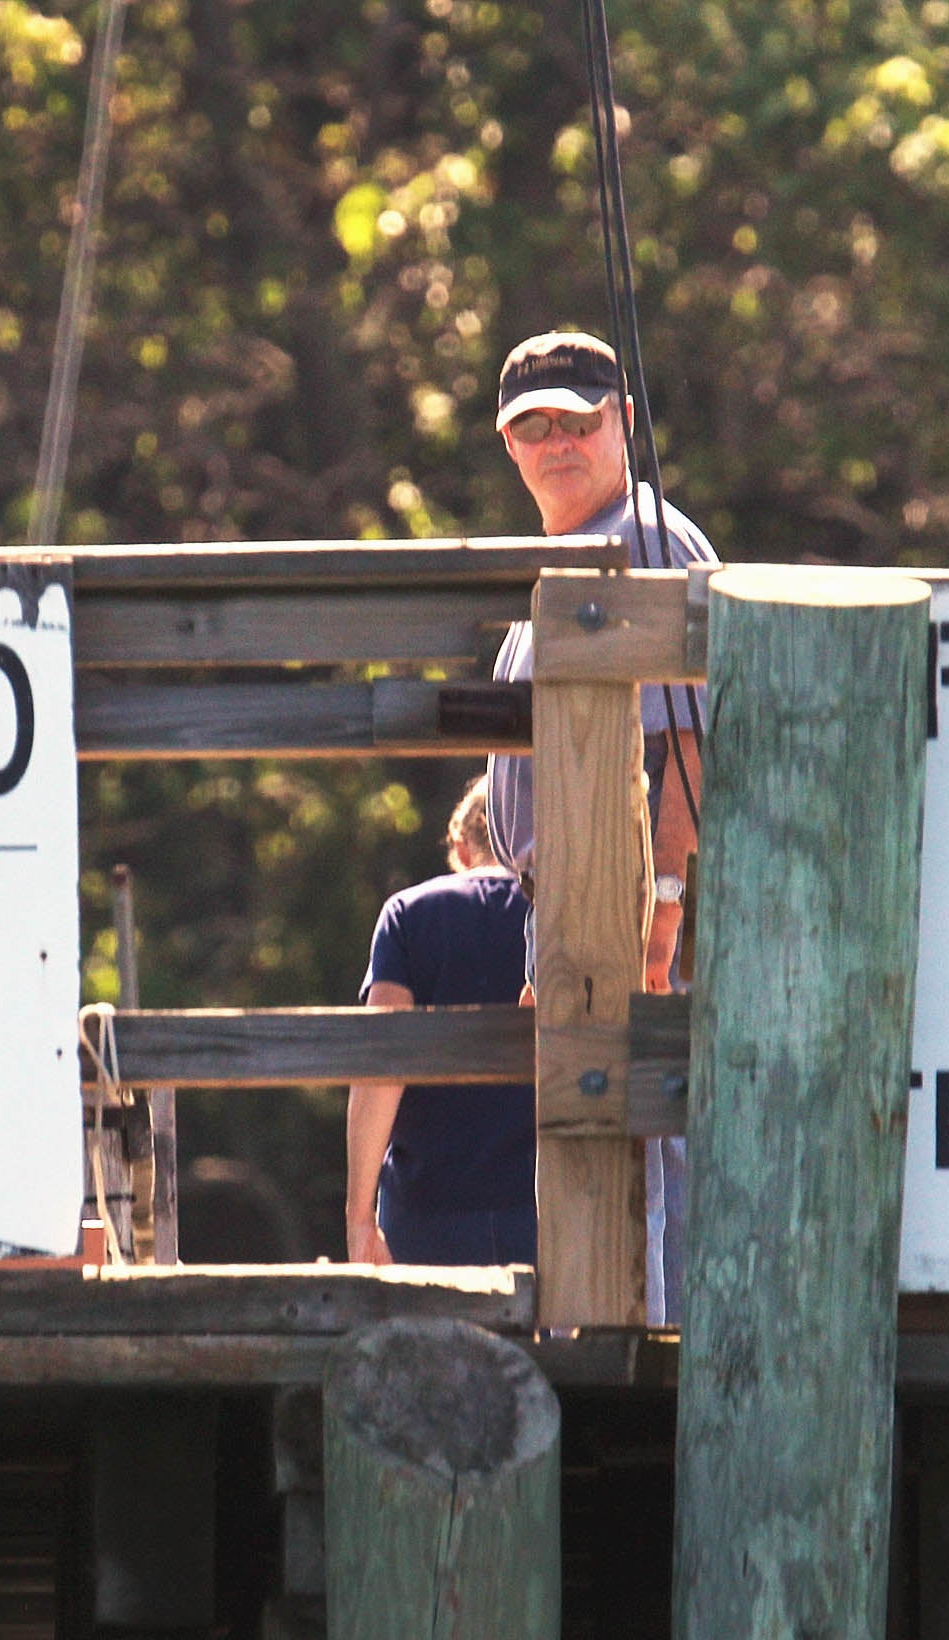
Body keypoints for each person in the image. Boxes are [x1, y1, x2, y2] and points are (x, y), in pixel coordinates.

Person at [484, 329, 716, 1322]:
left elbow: (693, 744)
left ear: (622, 422)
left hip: (634, 908)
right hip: (575, 908)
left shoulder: (644, 540)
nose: (558, 443)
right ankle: (624, 1349)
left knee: (644, 1172)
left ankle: (650, 1370)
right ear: (508, 444)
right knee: (608, 1163)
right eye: (534, 426)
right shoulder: (574, 552)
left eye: (578, 421)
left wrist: (660, 915)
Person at [345, 777, 535, 1265]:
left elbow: (381, 1065)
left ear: (461, 846)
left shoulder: (408, 914)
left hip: (427, 1211)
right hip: (543, 1203)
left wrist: (359, 1217)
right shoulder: (562, 913)